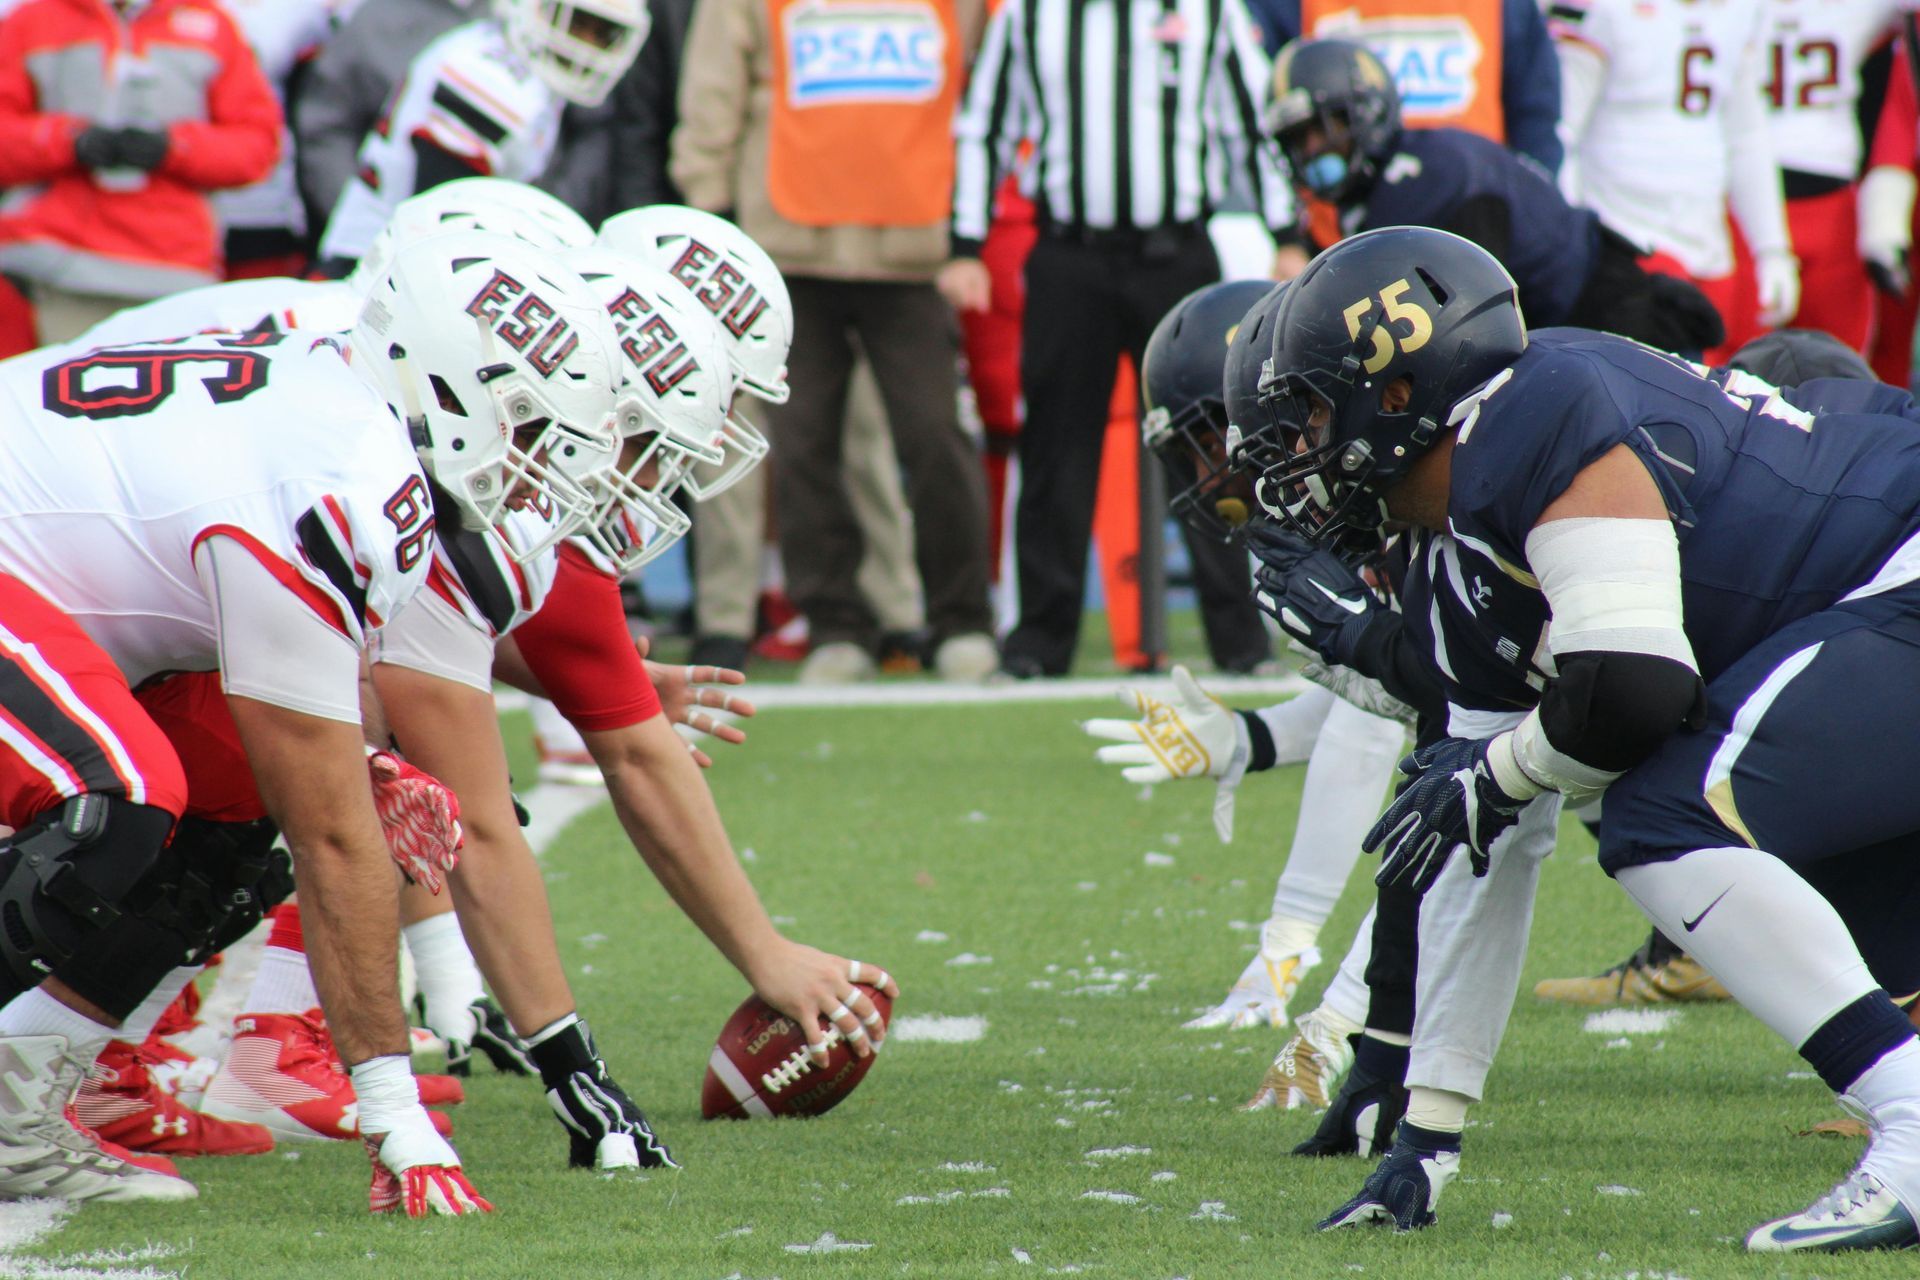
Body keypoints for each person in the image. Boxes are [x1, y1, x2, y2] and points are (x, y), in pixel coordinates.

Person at [1256, 224, 1920, 1252]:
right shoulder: (1454, 570)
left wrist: (1503, 767)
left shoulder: (1530, 410)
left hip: (1899, 565)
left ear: (1393, 392)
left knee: (1659, 808)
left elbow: (1636, 688)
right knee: (1825, 891)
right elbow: (1486, 851)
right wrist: (1427, 1132)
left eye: (1307, 409)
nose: (1298, 447)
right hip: (1876, 601)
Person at [0, 226, 622, 1212]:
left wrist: (357, 759)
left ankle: (17, 1092)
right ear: (450, 390)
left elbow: (311, 773)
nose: (540, 466)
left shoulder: (357, 407)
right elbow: (339, 833)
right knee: (115, 795)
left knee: (245, 810)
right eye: (529, 425)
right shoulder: (338, 481)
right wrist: (396, 1113)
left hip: (54, 580)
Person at [946, 0, 1290, 679]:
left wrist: (1288, 233)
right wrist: (964, 242)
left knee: (1215, 446)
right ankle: (1040, 644)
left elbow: (1253, 123)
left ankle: (1242, 642)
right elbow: (984, 124)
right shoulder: (1030, 14)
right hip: (1070, 256)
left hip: (1178, 256)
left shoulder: (1207, 10)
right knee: (1055, 447)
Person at [671, 0, 996, 684]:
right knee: (803, 447)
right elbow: (712, 94)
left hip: (913, 246)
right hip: (787, 248)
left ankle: (963, 619)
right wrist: (713, 224)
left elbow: (990, 82)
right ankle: (835, 626)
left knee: (936, 437)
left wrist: (969, 234)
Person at [1266, 36, 1724, 354]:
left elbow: (1468, 329)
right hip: (1571, 327)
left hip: (1611, 320)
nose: (1314, 149)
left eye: (1329, 127)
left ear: (1366, 108)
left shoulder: (1431, 179)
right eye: (1299, 138)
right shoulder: (1397, 176)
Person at [0, 0, 281, 343]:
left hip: (172, 274)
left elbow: (258, 146)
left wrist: (174, 147)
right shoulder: (33, 21)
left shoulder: (212, 25)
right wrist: (67, 141)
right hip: (50, 269)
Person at [315, 0, 646, 272]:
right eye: (575, 22)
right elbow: (441, 226)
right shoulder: (488, 78)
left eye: (603, 34)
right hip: (372, 267)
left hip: (399, 261)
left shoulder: (524, 70)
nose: (585, 45)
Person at [1551, 0, 1795, 358]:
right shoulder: (1601, 8)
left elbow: (1746, 135)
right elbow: (1561, 131)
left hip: (1708, 240)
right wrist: (1578, 239)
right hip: (1627, 236)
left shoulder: (1742, 10)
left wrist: (1772, 248)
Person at [1242, 0, 1562, 173]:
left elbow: (1535, 116)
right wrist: (1291, 240)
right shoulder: (1280, 6)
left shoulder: (1507, 6)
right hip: (1343, 239)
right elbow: (1264, 116)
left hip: (1476, 226)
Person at [291, 0, 478, 224]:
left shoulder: (512, 22)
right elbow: (327, 125)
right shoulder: (379, 17)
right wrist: (353, 216)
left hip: (492, 231)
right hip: (381, 222)